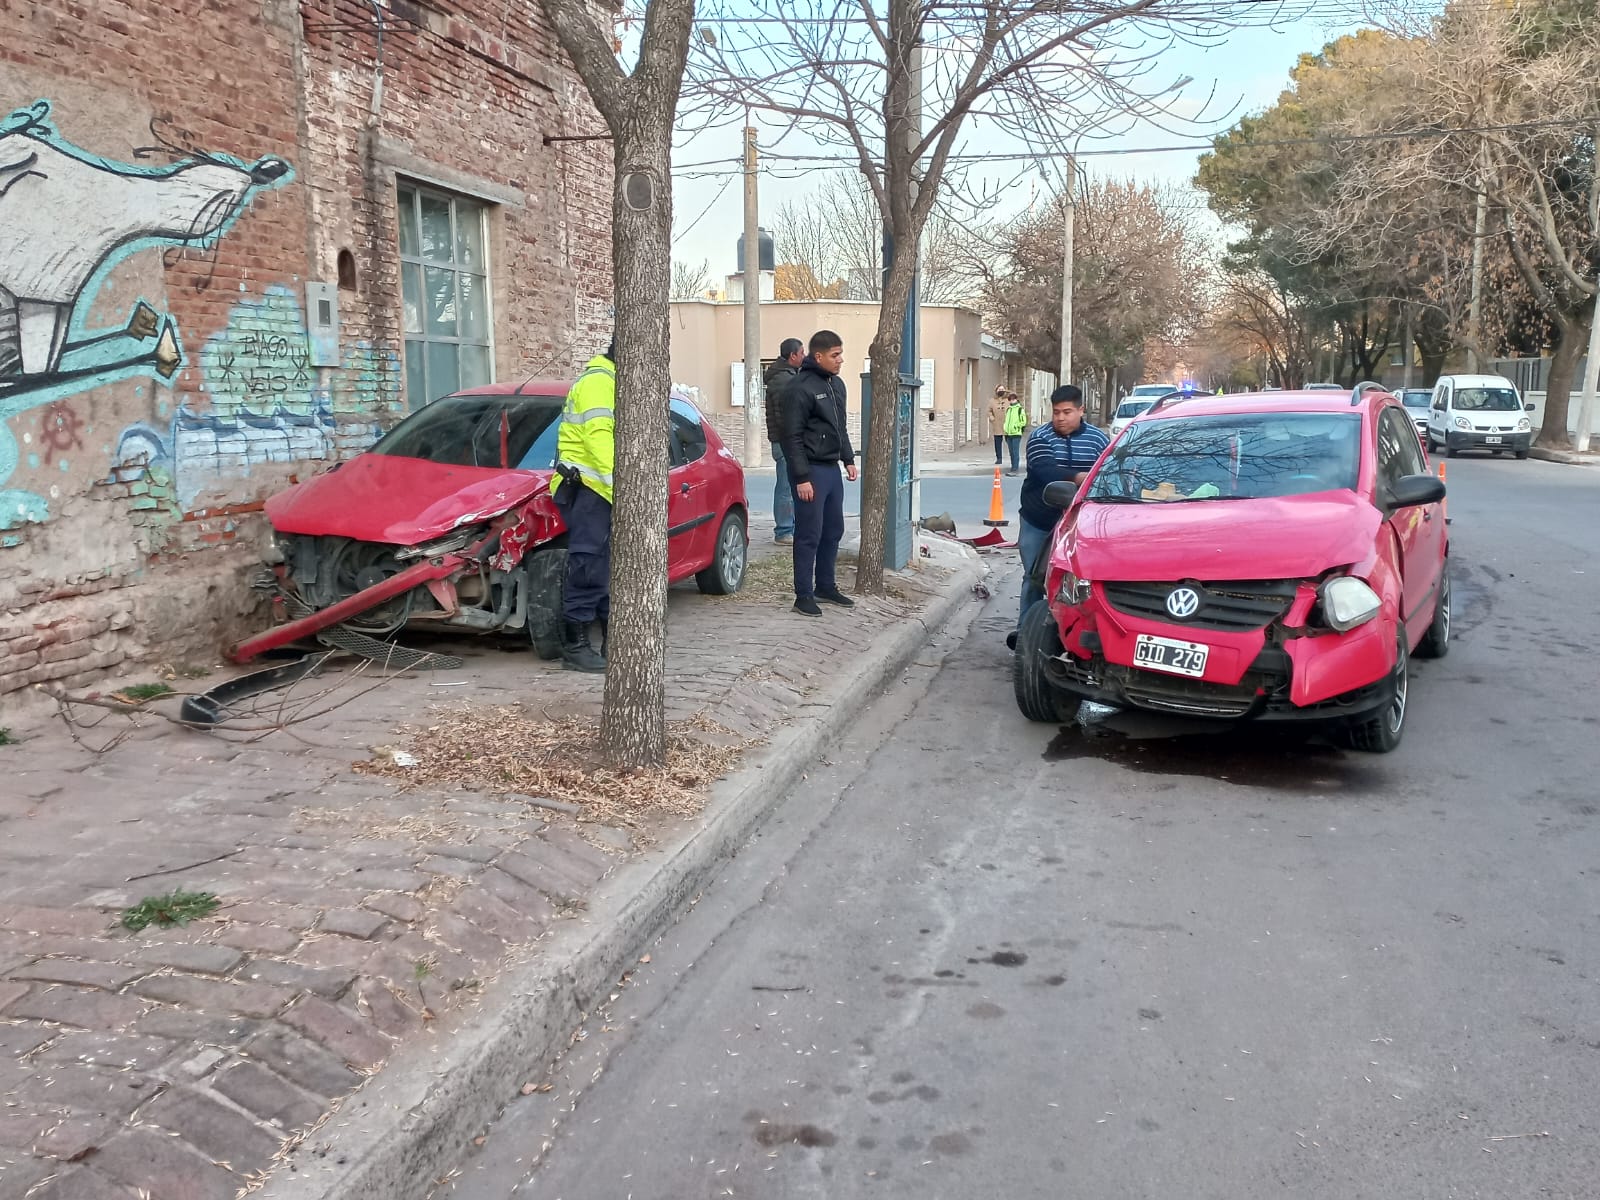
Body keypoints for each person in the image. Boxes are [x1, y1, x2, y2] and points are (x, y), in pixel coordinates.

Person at [1009, 385, 1109, 650]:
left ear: (1081, 410)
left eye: (1067, 412)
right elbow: (1044, 470)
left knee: (1079, 583)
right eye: (1056, 412)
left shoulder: (1098, 440)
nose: (1061, 418)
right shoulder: (1040, 437)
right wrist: (1077, 477)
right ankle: (1025, 638)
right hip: (1038, 522)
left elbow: (1106, 474)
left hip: (1081, 526)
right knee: (1034, 579)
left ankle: (1074, 637)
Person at [549, 340, 616, 673]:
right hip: (589, 489)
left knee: (603, 570)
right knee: (588, 567)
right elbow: (599, 441)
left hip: (596, 488)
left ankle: (607, 642)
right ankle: (575, 647)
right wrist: (622, 489)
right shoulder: (598, 384)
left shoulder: (609, 381)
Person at [781, 329, 858, 616]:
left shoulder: (836, 385)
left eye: (840, 354)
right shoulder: (799, 388)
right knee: (809, 533)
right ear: (818, 356)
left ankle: (826, 585)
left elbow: (840, 427)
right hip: (810, 470)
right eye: (835, 355)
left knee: (833, 530)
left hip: (831, 469)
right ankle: (803, 594)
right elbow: (792, 436)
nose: (840, 360)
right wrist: (801, 477)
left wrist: (848, 459)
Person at [763, 337, 804, 545]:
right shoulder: (783, 380)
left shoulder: (787, 375)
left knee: (792, 484)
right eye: (801, 353)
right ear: (792, 356)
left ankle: (790, 528)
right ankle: (784, 531)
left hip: (787, 441)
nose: (804, 357)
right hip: (785, 441)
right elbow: (788, 416)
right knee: (786, 487)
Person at [1002, 390, 1028, 475]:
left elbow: (1023, 421)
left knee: (1015, 451)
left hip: (1016, 433)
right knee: (1011, 452)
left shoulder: (1020, 409)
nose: (1012, 400)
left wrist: (1016, 426)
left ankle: (1015, 469)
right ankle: (1013, 467)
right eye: (1010, 399)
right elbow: (1007, 420)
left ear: (1016, 399)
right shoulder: (1009, 409)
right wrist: (1005, 428)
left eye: (1013, 399)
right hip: (1008, 433)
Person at [988, 385, 1009, 467]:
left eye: (1002, 389)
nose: (1001, 391)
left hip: (1007, 423)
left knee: (1009, 442)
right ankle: (999, 458)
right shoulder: (992, 401)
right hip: (997, 423)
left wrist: (1008, 392)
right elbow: (989, 411)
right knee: (997, 442)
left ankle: (1012, 457)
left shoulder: (1008, 399)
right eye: (999, 389)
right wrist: (991, 417)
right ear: (996, 390)